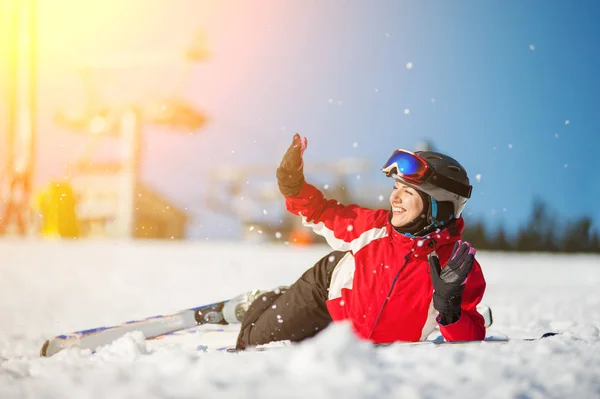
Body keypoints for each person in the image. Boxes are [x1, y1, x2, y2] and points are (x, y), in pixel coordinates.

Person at [234, 134, 486, 350]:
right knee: (254, 342)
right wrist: (293, 186)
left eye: (407, 192)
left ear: (438, 207)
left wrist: (450, 311)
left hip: (352, 331)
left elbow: (470, 339)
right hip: (326, 293)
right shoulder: (374, 227)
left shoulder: (456, 267)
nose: (394, 197)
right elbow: (320, 212)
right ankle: (264, 302)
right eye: (396, 187)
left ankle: (290, 308)